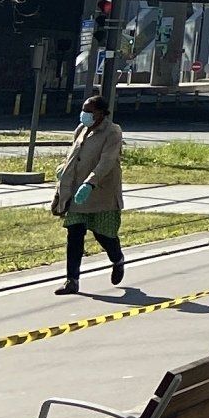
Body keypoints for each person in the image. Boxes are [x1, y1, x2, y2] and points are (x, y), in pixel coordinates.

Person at [50, 92, 126, 292]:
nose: (84, 114)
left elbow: (107, 162)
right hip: (77, 194)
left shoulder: (113, 132)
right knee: (74, 233)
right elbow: (74, 155)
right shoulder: (81, 129)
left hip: (101, 194)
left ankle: (117, 259)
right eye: (83, 110)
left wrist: (90, 183)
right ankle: (72, 280)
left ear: (100, 113)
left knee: (104, 234)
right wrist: (63, 169)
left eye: (89, 111)